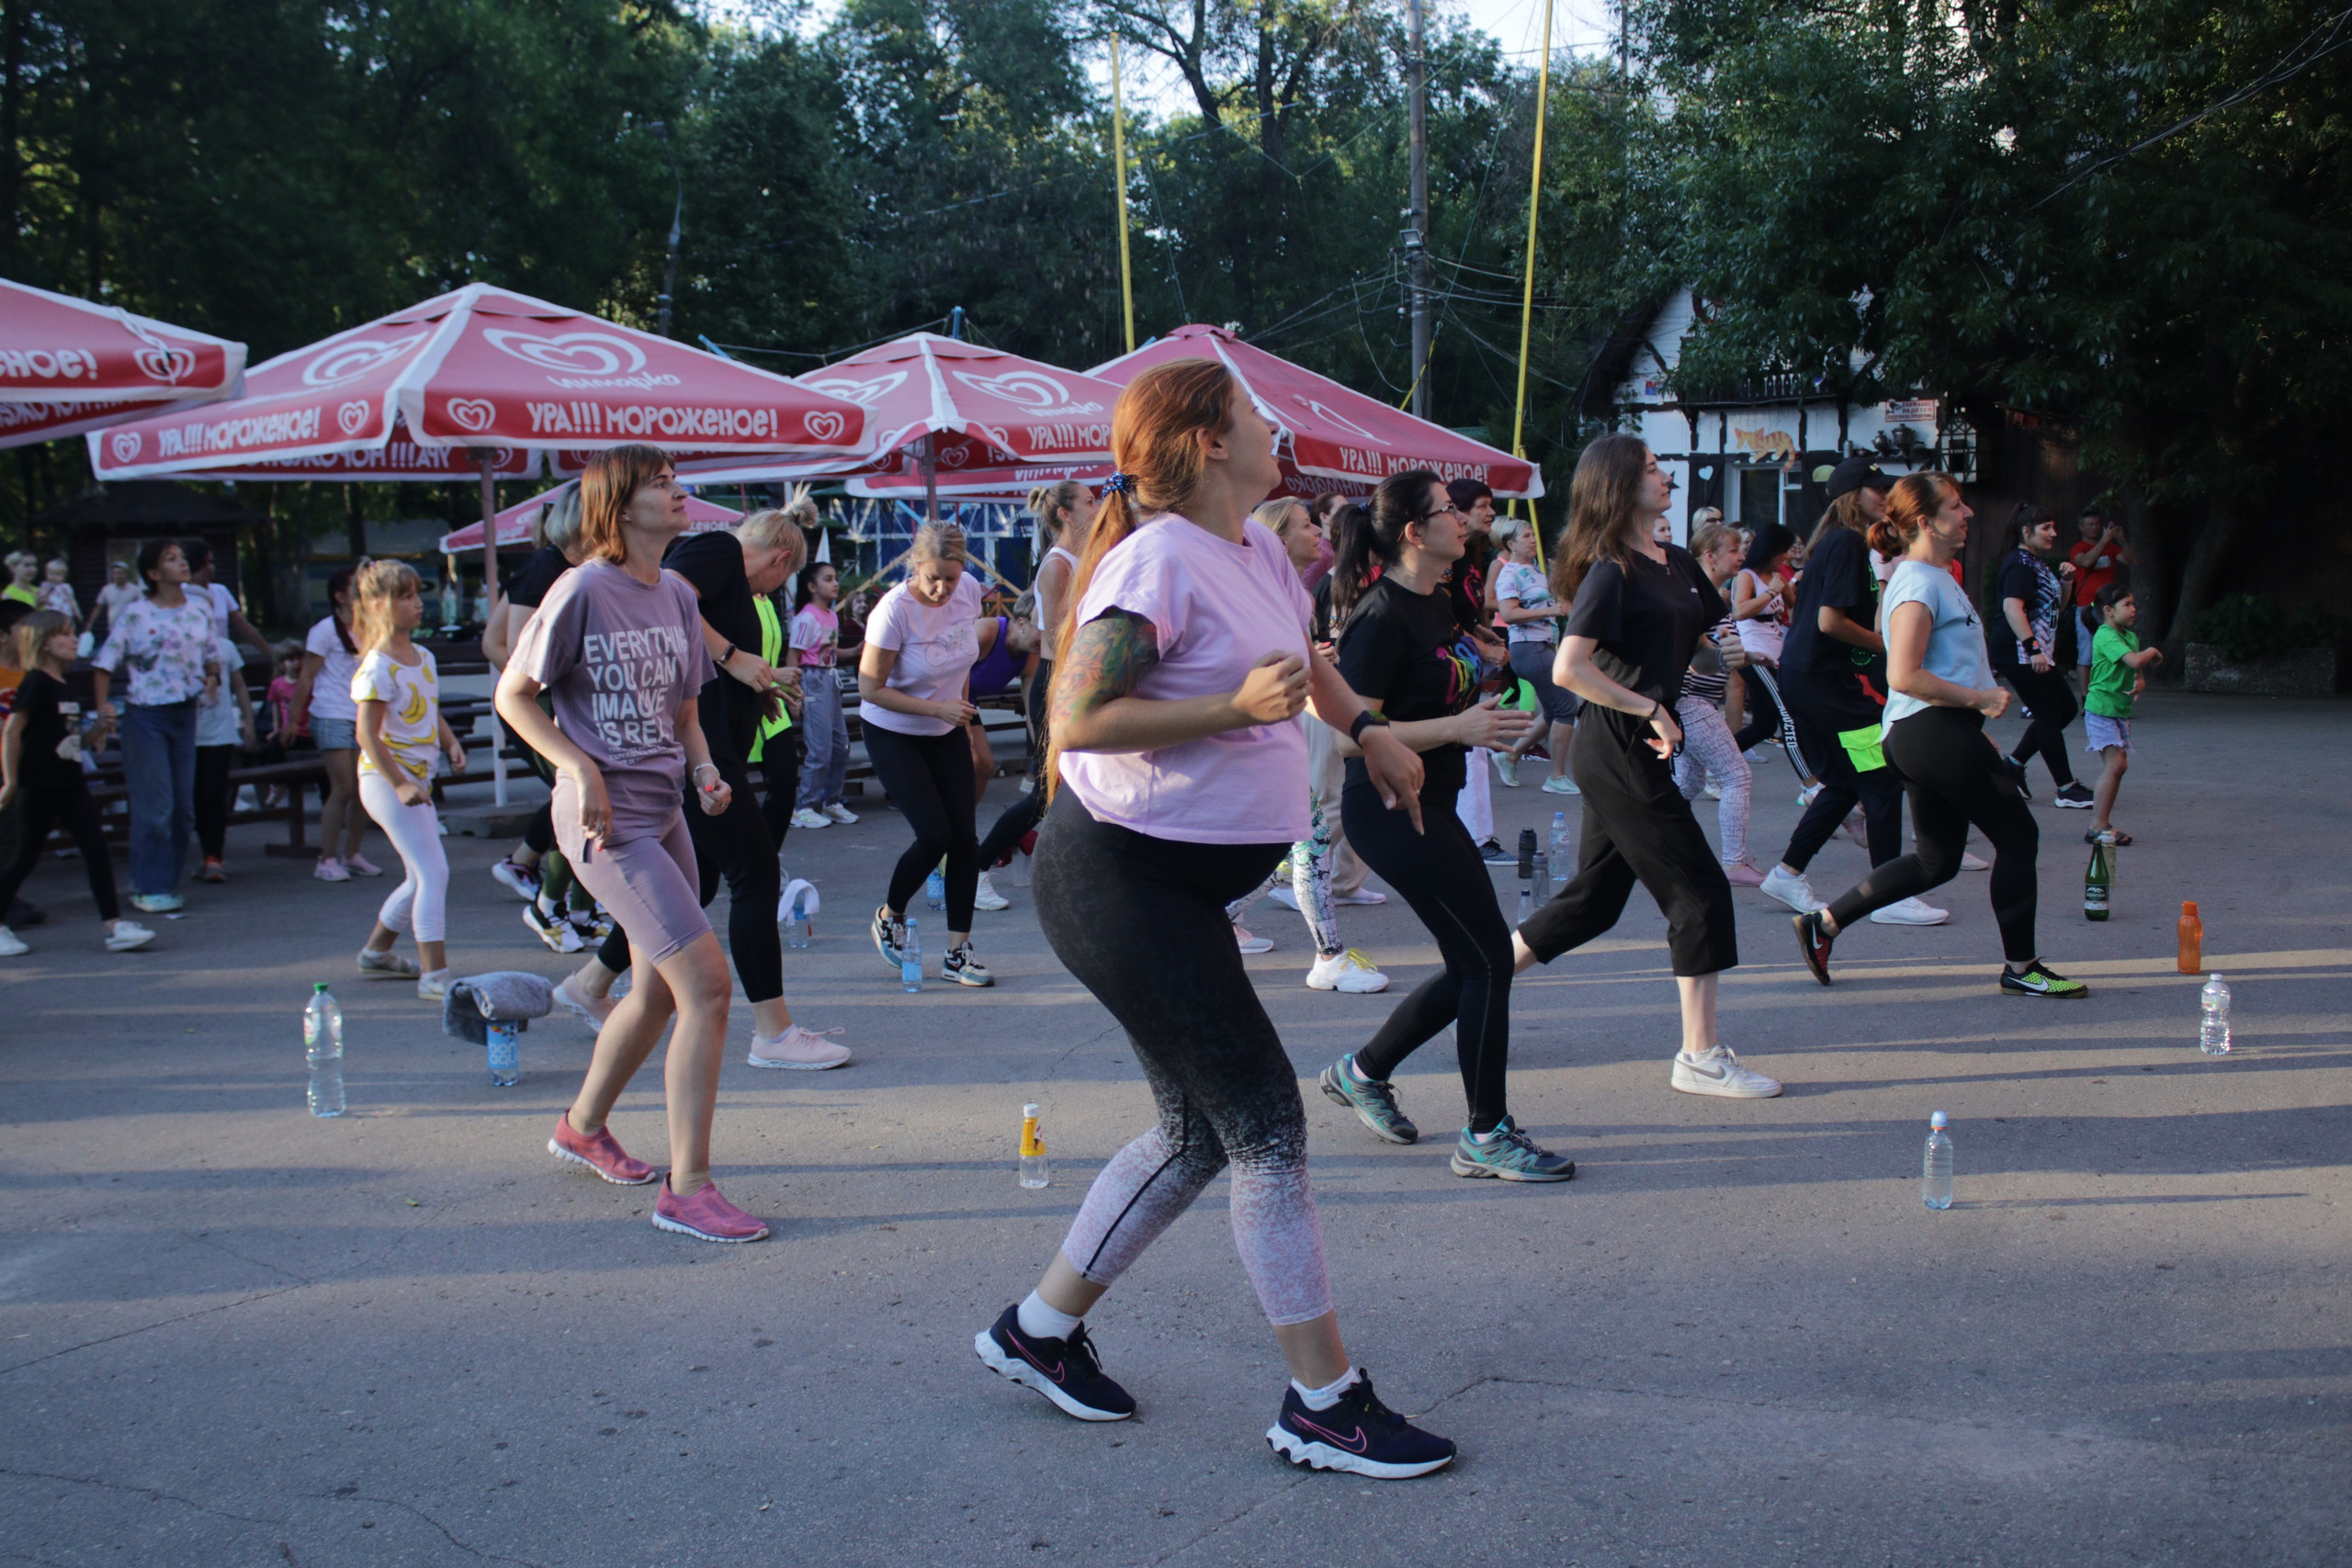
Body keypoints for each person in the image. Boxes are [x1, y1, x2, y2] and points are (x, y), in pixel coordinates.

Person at [973, 357, 1456, 1479]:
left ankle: (1035, 1333)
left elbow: (1311, 664)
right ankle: (1324, 1404)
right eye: (1253, 415)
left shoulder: (1248, 550)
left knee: (1196, 1137)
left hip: (1174, 887)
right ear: (1203, 444)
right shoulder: (1151, 562)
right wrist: (1227, 710)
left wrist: (1370, 729)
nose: (1274, 425)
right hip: (1117, 882)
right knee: (1265, 1130)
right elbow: (1077, 716)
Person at [498, 443, 766, 1244]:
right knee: (709, 988)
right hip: (604, 825)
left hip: (666, 812)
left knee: (657, 990)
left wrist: (708, 769)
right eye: (659, 483)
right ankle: (689, 1189)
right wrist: (579, 767)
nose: (678, 491)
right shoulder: (581, 589)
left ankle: (582, 1125)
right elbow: (514, 694)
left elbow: (686, 712)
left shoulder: (678, 596)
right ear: (617, 506)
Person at [1313, 469, 1571, 1179]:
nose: (1463, 520)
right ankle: (1486, 1133)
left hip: (1435, 797)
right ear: (1412, 532)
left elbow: (1448, 684)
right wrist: (1459, 723)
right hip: (1390, 808)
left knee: (1473, 961)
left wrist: (1487, 704)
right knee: (1489, 957)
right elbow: (1346, 735)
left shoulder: (1439, 601)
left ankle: (1363, 1072)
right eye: (1448, 512)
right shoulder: (1379, 615)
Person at [1510, 434, 1781, 1100]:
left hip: (1643, 740)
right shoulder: (1611, 569)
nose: (1664, 477)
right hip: (1618, 742)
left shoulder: (1677, 561)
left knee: (1590, 906)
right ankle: (1699, 1055)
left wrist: (1727, 664)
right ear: (1620, 483)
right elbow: (1570, 668)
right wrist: (1651, 707)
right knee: (1700, 892)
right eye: (1652, 468)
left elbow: (1701, 639)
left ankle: (1480, 971)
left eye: (1662, 467)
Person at [1792, 475, 2086, 998]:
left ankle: (1825, 923)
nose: (1969, 512)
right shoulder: (1920, 582)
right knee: (2019, 837)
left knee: (1936, 860)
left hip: (1934, 732)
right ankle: (2022, 967)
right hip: (1930, 731)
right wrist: (1981, 699)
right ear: (1926, 522)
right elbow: (1902, 674)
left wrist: (1974, 720)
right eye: (1956, 506)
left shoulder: (1931, 575)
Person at [664, 505, 849, 1070]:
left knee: (694, 885)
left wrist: (758, 686)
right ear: (781, 560)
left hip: (711, 751)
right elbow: (670, 601)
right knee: (756, 874)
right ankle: (772, 1033)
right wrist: (735, 656)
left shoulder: (739, 589)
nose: (775, 591)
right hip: (702, 754)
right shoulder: (720, 549)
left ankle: (592, 981)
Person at [1758, 457, 1946, 927]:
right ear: (1850, 496)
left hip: (1810, 678)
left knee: (1845, 783)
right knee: (1881, 778)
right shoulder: (1844, 542)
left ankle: (1786, 873)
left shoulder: (1839, 543)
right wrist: (1887, 646)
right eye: (1874, 488)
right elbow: (1829, 622)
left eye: (1886, 489)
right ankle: (1889, 893)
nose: (1884, 496)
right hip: (1823, 683)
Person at [1223, 496, 1387, 993]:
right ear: (1274, 535)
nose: (1318, 530)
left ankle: (1225, 917)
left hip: (1281, 730)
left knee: (1304, 838)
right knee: (1309, 835)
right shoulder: (1261, 588)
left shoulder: (1291, 591)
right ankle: (1328, 956)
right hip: (1258, 735)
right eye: (1305, 524)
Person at [859, 523, 992, 987]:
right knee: (934, 834)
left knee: (965, 841)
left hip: (947, 727)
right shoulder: (893, 610)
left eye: (951, 579)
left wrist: (970, 727)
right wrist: (936, 707)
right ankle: (889, 914)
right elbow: (869, 688)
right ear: (916, 566)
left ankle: (958, 953)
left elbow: (962, 663)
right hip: (893, 729)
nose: (941, 589)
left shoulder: (969, 591)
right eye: (932, 577)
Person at [0, 611, 155, 956]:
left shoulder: (65, 687)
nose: (73, 640)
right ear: (43, 643)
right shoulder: (35, 683)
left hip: (70, 783)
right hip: (37, 784)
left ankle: (114, 927)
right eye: (65, 634)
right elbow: (12, 731)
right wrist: (10, 782)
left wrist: (99, 729)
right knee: (25, 856)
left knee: (96, 850)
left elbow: (74, 742)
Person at [348, 559, 467, 998]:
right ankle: (435, 975)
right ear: (378, 605)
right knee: (434, 872)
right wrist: (398, 783)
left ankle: (376, 953)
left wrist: (451, 742)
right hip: (387, 782)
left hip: (416, 783)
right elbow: (365, 733)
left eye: (418, 594)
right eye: (406, 596)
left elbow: (427, 706)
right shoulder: (376, 666)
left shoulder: (424, 657)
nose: (419, 604)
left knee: (420, 876)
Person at [89, 539, 220, 914]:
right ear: (152, 573)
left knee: (183, 809)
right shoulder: (136, 614)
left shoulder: (200, 611)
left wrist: (212, 678)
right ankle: (148, 886)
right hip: (146, 715)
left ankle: (164, 882)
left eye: (182, 558)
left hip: (185, 713)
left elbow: (212, 657)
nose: (181, 563)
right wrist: (103, 711)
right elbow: (103, 664)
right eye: (171, 559)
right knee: (156, 806)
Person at [1993, 504, 2095, 807]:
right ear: (2027, 532)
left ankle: (2013, 765)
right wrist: (2032, 647)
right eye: (2046, 528)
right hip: (2019, 652)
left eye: (2053, 527)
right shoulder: (2020, 564)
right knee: (2049, 713)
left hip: (2035, 652)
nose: (2054, 533)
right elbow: (2013, 608)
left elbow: (2055, 610)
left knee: (2064, 709)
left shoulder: (2035, 562)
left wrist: (2066, 583)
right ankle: (2066, 788)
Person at [1676, 523, 1760, 885]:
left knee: (1687, 786)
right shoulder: (1694, 597)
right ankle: (1734, 864)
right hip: (1691, 700)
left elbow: (1720, 652)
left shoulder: (1712, 597)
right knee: (1736, 775)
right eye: (1734, 550)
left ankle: (1637, 843)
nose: (1742, 556)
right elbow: (1697, 655)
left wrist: (1754, 656)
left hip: (1697, 701)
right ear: (1710, 556)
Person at [291, 567, 379, 882]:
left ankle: (352, 854)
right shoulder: (324, 631)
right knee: (343, 787)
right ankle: (326, 858)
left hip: (360, 713)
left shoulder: (370, 627)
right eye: (356, 588)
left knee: (363, 790)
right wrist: (292, 721)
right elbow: (306, 677)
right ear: (340, 596)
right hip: (330, 713)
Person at [1490, 513, 1578, 795]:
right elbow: (1507, 613)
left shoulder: (1535, 570)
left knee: (1554, 709)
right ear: (1511, 544)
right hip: (1528, 647)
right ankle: (1556, 775)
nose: (1532, 540)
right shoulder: (1510, 572)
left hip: (1542, 645)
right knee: (1566, 707)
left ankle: (1511, 755)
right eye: (1526, 536)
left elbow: (1558, 602)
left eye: (1533, 535)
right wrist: (1549, 610)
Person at [960, 602, 1037, 913]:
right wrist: (962, 731)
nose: (1045, 640)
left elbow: (1033, 707)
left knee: (986, 766)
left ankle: (958, 834)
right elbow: (953, 674)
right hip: (943, 696)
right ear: (1020, 623)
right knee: (971, 762)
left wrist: (1043, 748)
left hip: (968, 703)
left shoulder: (1030, 655)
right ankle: (959, 844)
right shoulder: (987, 631)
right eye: (1040, 630)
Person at [1727, 521, 1810, 786]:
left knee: (1764, 725)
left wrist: (1790, 588)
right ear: (1771, 550)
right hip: (1754, 653)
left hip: (1775, 652)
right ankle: (1810, 783)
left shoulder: (1778, 577)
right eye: (1784, 551)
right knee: (1788, 716)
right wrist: (1772, 591)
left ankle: (1714, 760)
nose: (1788, 556)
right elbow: (1739, 611)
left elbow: (1794, 608)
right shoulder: (1747, 576)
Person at [2083, 581, 2163, 845]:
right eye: (2127, 604)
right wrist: (2151, 652)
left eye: (2133, 604)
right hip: (2101, 709)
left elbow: (2135, 670)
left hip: (2119, 710)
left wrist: (2140, 681)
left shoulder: (2129, 637)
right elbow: (2134, 659)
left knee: (2119, 766)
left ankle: (2101, 823)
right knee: (2115, 765)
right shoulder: (2106, 635)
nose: (2133, 609)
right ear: (2108, 611)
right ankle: (2097, 826)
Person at [787, 560, 855, 831]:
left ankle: (831, 800)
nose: (835, 583)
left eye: (835, 578)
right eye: (828, 579)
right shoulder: (806, 617)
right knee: (820, 750)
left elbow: (832, 654)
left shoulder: (832, 615)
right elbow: (794, 655)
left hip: (829, 679)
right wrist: (796, 693)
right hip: (812, 680)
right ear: (812, 587)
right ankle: (803, 807)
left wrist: (859, 649)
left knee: (841, 746)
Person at [191, 629, 256, 883]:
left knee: (214, 795)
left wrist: (248, 721)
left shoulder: (225, 647)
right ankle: (207, 851)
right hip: (189, 735)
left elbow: (240, 686)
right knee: (195, 796)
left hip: (220, 734)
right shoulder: (178, 648)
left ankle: (214, 856)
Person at [2068, 507, 2135, 694]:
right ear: (2081, 527)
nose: (2095, 528)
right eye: (2090, 524)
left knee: (2115, 649)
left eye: (2098, 524)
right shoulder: (2078, 548)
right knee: (2087, 653)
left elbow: (2130, 559)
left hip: (2109, 607)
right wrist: (2104, 540)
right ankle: (2086, 699)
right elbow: (2086, 561)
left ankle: (2112, 694)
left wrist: (2121, 540)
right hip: (2086, 606)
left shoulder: (2111, 548)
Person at [183, 540, 274, 664]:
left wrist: (271, 654)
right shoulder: (180, 592)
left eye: (211, 562)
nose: (209, 568)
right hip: (192, 658)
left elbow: (244, 627)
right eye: (203, 564)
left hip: (219, 657)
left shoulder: (220, 591)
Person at [91, 561, 142, 642]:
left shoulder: (135, 590)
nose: (118, 576)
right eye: (115, 573)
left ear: (126, 574)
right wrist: (90, 624)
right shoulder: (107, 590)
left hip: (131, 630)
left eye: (120, 573)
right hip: (112, 629)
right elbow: (98, 608)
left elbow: (142, 608)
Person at [36, 559, 78, 626]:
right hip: (50, 613)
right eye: (51, 573)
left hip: (64, 612)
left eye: (58, 574)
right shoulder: (45, 585)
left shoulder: (65, 587)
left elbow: (72, 600)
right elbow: (40, 597)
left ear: (64, 576)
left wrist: (77, 613)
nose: (54, 576)